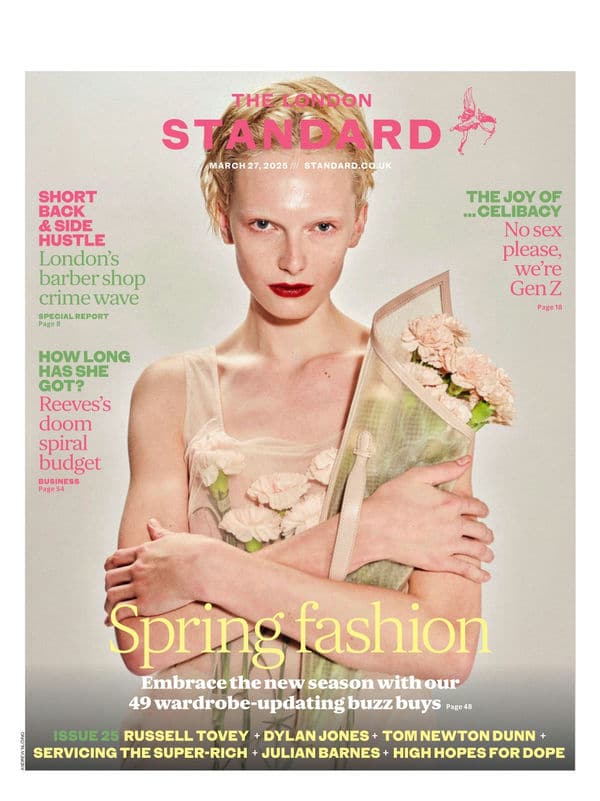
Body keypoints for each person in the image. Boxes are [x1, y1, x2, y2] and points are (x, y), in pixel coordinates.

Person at [104, 77, 493, 749]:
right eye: (264, 224)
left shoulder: (424, 381)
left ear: (359, 222)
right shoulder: (169, 391)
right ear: (222, 214)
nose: (292, 259)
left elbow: (445, 646)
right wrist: (365, 535)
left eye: (322, 226)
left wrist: (208, 571)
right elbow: (145, 641)